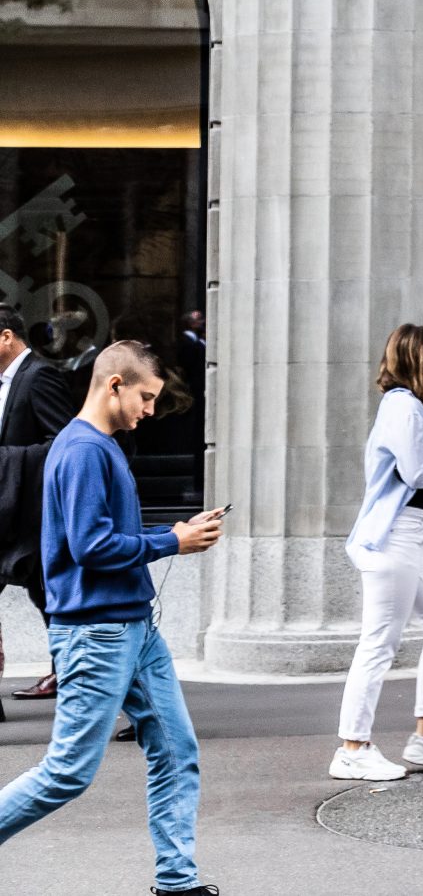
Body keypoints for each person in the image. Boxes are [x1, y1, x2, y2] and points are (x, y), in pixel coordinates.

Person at [0, 340, 226, 894]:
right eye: (145, 397)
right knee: (67, 773)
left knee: (176, 750)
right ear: (114, 384)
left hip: (132, 627)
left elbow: (103, 540)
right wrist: (173, 541)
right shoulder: (82, 450)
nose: (150, 410)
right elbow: (91, 546)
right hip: (98, 631)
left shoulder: (97, 446)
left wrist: (175, 536)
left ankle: (178, 882)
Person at [332, 323, 423, 782]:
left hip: (409, 537)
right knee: (379, 643)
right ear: (417, 358)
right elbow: (415, 473)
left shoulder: (408, 407)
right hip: (394, 537)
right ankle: (352, 748)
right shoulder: (403, 406)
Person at [0, 304, 79, 711]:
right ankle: (68, 673)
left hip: (34, 514)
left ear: (6, 338)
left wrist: (8, 458)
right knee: (46, 597)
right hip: (9, 513)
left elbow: (63, 445)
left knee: (50, 598)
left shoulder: (38, 376)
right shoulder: (6, 380)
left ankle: (72, 675)